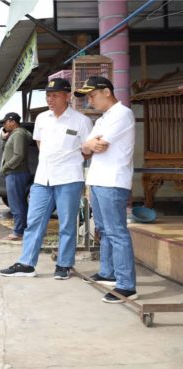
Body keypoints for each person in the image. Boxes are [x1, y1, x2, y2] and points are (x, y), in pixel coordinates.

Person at [0, 78, 93, 280]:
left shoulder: (81, 121)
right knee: (34, 222)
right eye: (48, 95)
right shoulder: (42, 118)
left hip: (69, 178)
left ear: (67, 96)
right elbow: (41, 145)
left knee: (67, 223)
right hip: (43, 179)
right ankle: (26, 264)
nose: (50, 99)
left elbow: (87, 151)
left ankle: (64, 264)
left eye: (55, 95)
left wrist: (68, 161)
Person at [76, 76, 137, 303]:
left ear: (107, 92)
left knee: (116, 231)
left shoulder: (122, 114)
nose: (90, 100)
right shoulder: (103, 119)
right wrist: (88, 145)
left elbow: (99, 146)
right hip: (99, 180)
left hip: (113, 181)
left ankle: (126, 285)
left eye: (92, 95)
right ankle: (108, 272)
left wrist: (89, 145)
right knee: (103, 228)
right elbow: (86, 146)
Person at [0, 112, 32, 241]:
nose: (4, 125)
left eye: (5, 122)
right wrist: (4, 139)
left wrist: (5, 167)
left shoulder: (18, 134)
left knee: (16, 204)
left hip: (15, 173)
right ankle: (23, 230)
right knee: (20, 203)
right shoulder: (16, 134)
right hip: (16, 173)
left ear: (12, 121)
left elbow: (19, 155)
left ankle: (18, 232)